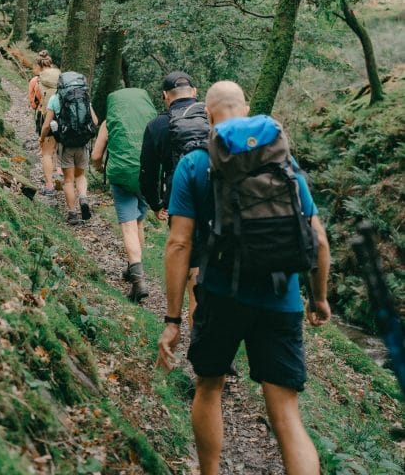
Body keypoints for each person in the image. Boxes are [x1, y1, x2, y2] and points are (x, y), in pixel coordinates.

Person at [157, 80, 331, 475]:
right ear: (247, 108)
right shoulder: (281, 161)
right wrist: (318, 298)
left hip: (220, 296)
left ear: (208, 114)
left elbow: (178, 245)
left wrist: (171, 320)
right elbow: (319, 240)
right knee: (286, 414)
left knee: (209, 386)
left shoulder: (196, 162)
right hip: (281, 299)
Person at [140, 70, 203, 320]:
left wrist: (156, 204)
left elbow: (147, 173)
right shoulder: (213, 117)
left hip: (180, 202)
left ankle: (197, 340)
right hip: (217, 205)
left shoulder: (157, 125)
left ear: (165, 96)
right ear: (195, 93)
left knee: (193, 270)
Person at [91, 87, 157, 303]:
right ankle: (134, 267)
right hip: (147, 177)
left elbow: (96, 155)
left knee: (128, 224)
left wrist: (100, 168)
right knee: (139, 221)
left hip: (121, 176)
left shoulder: (110, 122)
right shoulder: (151, 121)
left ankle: (138, 281)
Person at [41, 72, 98, 226]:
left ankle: (72, 213)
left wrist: (42, 137)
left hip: (66, 145)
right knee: (80, 176)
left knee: (68, 180)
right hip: (82, 143)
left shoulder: (55, 98)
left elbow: (46, 125)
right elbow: (95, 121)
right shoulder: (83, 97)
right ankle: (83, 198)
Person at [28, 51, 61, 198]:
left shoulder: (36, 81)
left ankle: (49, 185)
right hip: (64, 119)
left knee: (46, 152)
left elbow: (33, 104)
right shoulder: (61, 78)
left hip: (46, 116)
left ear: (37, 65)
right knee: (59, 146)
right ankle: (59, 171)